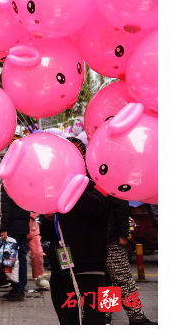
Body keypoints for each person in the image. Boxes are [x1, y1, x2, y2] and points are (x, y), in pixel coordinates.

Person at [41, 137, 112, 325]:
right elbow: (47, 228)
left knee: (94, 320)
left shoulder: (100, 181)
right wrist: (47, 219)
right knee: (67, 320)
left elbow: (94, 207)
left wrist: (69, 181)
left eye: (76, 152)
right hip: (60, 268)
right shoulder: (55, 186)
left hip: (91, 266)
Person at [105, 196, 157, 325]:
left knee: (108, 278)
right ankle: (136, 316)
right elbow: (121, 207)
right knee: (123, 279)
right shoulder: (114, 183)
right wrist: (123, 234)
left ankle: (106, 313)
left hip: (99, 236)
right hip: (112, 237)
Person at [0, 182, 30, 301]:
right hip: (23, 226)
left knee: (11, 259)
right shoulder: (24, 183)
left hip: (12, 227)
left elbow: (5, 209)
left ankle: (16, 288)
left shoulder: (7, 185)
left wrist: (3, 228)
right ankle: (21, 287)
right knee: (21, 257)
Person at [29, 212, 50, 289]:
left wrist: (32, 215)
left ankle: (39, 276)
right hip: (17, 228)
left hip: (33, 229)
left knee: (38, 253)